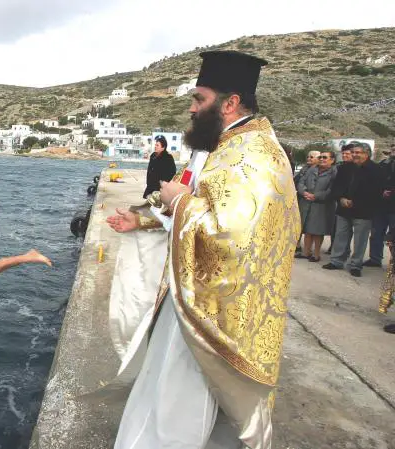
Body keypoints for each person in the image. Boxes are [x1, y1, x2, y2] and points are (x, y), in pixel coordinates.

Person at [107, 51, 299, 449]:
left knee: (182, 402)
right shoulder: (223, 145)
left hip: (214, 309)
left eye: (199, 99)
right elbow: (190, 198)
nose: (192, 109)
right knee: (165, 390)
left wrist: (179, 203)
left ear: (229, 103)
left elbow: (234, 237)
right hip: (192, 294)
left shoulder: (255, 155)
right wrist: (142, 219)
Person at [323, 143, 383, 277]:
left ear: (367, 154)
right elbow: (337, 186)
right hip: (344, 209)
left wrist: (355, 202)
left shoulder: (376, 170)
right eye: (354, 152)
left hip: (363, 211)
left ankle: (356, 265)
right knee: (340, 236)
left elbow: (376, 192)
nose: (355, 155)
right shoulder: (344, 168)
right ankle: (336, 261)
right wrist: (341, 198)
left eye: (358, 152)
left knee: (360, 240)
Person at [295, 150, 337, 261]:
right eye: (320, 157)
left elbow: (331, 189)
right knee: (308, 229)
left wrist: (316, 196)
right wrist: (304, 192)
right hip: (307, 202)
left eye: (325, 157)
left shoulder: (334, 172)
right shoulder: (312, 170)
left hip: (322, 205)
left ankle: (316, 254)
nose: (322, 159)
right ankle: (306, 252)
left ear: (332, 160)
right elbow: (301, 182)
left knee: (318, 230)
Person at [365, 145, 395, 267]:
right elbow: (375, 181)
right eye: (393, 148)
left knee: (393, 237)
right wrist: (381, 191)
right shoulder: (383, 164)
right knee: (376, 233)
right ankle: (375, 259)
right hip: (381, 206)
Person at [326, 144, 356, 254]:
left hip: (355, 204)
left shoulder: (358, 168)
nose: (344, 155)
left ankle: (345, 252)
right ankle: (336, 252)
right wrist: (340, 198)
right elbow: (336, 185)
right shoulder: (341, 167)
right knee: (338, 230)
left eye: (347, 153)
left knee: (348, 232)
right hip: (340, 203)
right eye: (343, 153)